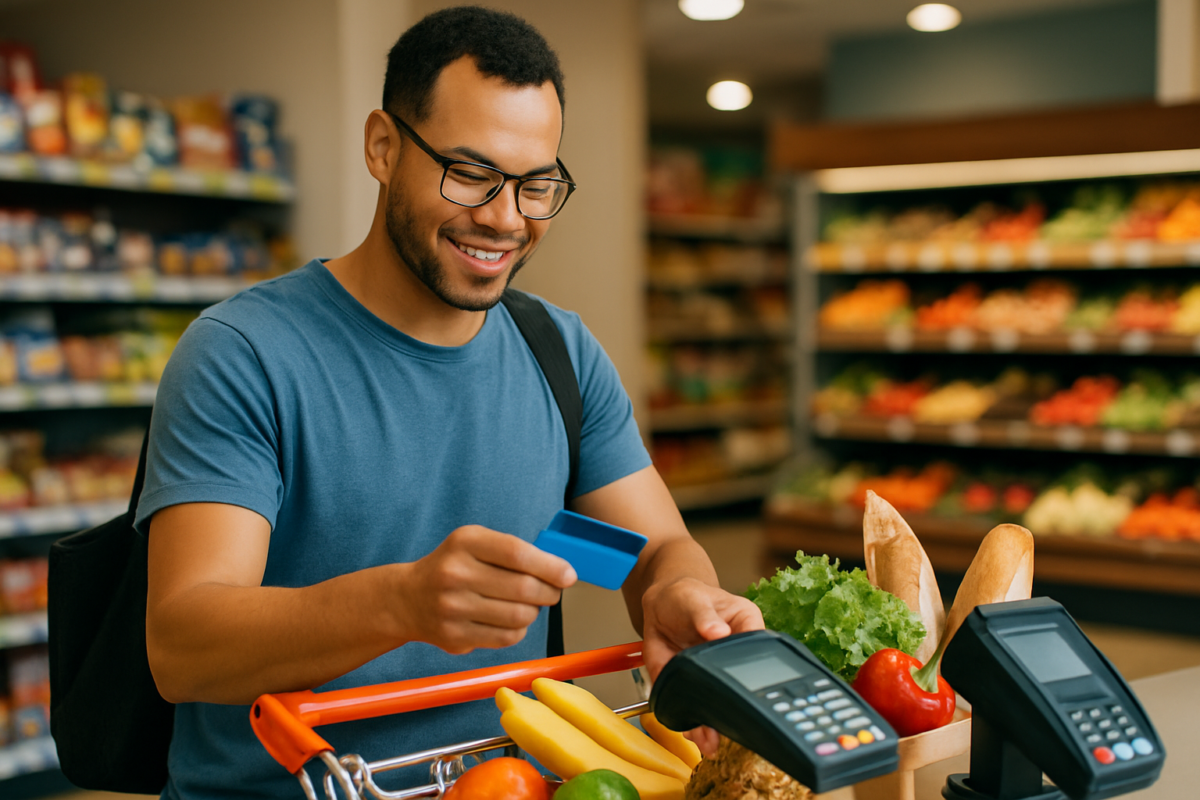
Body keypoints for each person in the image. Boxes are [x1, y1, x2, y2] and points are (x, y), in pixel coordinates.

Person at [140, 6, 763, 799]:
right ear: (383, 147)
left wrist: (680, 595)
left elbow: (657, 550)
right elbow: (182, 645)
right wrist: (398, 602)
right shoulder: (244, 353)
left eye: (536, 185)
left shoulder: (561, 353)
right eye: (470, 173)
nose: (506, 219)